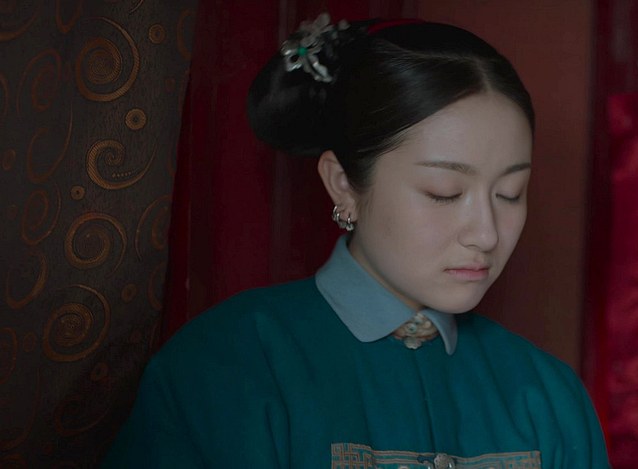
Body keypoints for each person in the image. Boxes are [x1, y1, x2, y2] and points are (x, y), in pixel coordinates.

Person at [103, 13, 610, 468]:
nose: (487, 233)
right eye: (444, 192)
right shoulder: (229, 368)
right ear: (343, 183)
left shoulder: (547, 398)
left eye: (509, 193)